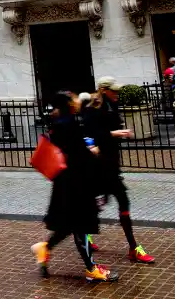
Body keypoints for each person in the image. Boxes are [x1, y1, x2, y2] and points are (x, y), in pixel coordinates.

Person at [31, 91, 118, 283]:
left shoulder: (61, 123)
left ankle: (44, 248)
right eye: (73, 98)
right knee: (80, 226)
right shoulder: (68, 124)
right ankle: (91, 269)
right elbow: (79, 155)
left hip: (66, 182)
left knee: (69, 225)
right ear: (68, 103)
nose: (78, 100)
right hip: (75, 184)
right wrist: (94, 153)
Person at [84, 77, 154, 264]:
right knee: (99, 203)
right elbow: (90, 135)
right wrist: (112, 134)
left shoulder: (112, 107)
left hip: (112, 164)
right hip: (98, 165)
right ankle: (86, 237)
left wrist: (119, 133)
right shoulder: (93, 109)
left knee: (119, 202)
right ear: (104, 90)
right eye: (114, 91)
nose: (117, 94)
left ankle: (132, 248)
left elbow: (112, 130)